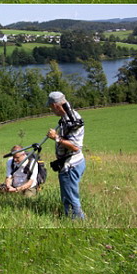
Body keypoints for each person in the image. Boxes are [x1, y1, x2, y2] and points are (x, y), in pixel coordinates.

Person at [47, 91, 86, 219]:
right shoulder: (66, 118)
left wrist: (56, 138)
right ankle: (69, 219)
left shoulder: (72, 119)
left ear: (56, 106)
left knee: (71, 198)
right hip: (68, 164)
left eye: (51, 107)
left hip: (71, 165)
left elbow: (75, 147)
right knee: (67, 197)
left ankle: (80, 222)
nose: (51, 110)